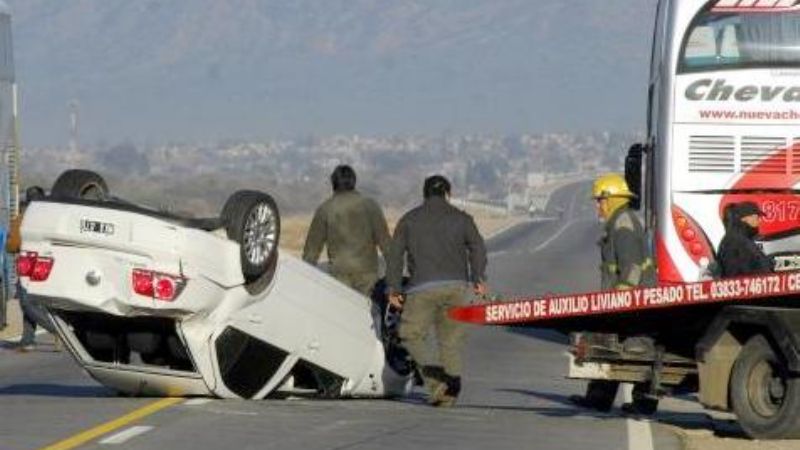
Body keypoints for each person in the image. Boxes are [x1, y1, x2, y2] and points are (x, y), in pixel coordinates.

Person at [386, 175, 487, 407]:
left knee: (411, 335)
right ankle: (450, 390)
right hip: (457, 289)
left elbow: (394, 256)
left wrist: (394, 287)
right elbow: (477, 247)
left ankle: (438, 385)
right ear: (448, 194)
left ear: (424, 194)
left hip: (421, 289)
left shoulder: (409, 220)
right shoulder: (462, 219)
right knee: (450, 341)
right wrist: (478, 277)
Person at [569, 173, 656, 413]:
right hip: (624, 298)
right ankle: (599, 398)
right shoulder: (619, 221)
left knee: (638, 349)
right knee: (608, 346)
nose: (598, 206)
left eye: (600, 200)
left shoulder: (623, 224)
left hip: (634, 300)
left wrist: (623, 297)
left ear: (612, 200)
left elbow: (633, 265)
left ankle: (643, 404)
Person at [302, 165, 391, 297]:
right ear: (354, 182)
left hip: (339, 279)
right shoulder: (370, 205)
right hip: (367, 278)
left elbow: (311, 251)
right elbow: (386, 244)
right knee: (366, 315)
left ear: (333, 183)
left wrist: (305, 280)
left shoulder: (325, 209)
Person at [10, 186, 59, 352]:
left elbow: (12, 245)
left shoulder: (22, 219)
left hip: (28, 266)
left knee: (26, 303)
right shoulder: (53, 219)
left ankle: (56, 330)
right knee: (32, 303)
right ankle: (27, 340)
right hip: (50, 264)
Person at [717, 202, 772, 278]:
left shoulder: (742, 239)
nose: (760, 221)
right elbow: (737, 274)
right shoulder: (736, 242)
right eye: (757, 217)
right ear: (744, 218)